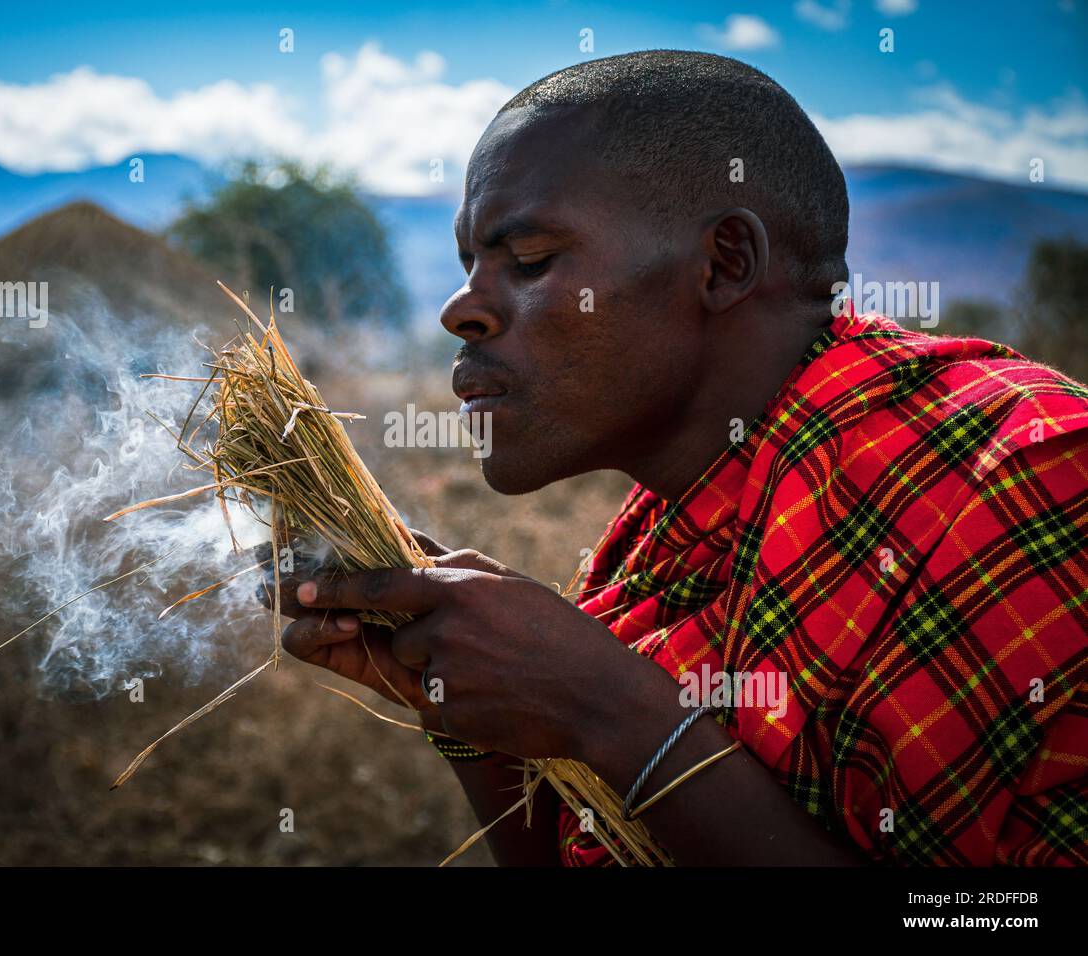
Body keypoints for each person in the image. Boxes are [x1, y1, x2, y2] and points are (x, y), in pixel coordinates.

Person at [277, 50, 1088, 866]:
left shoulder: (1027, 472)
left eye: (527, 262)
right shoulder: (658, 542)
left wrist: (610, 712)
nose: (461, 311)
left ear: (725, 262)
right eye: (467, 268)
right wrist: (466, 717)